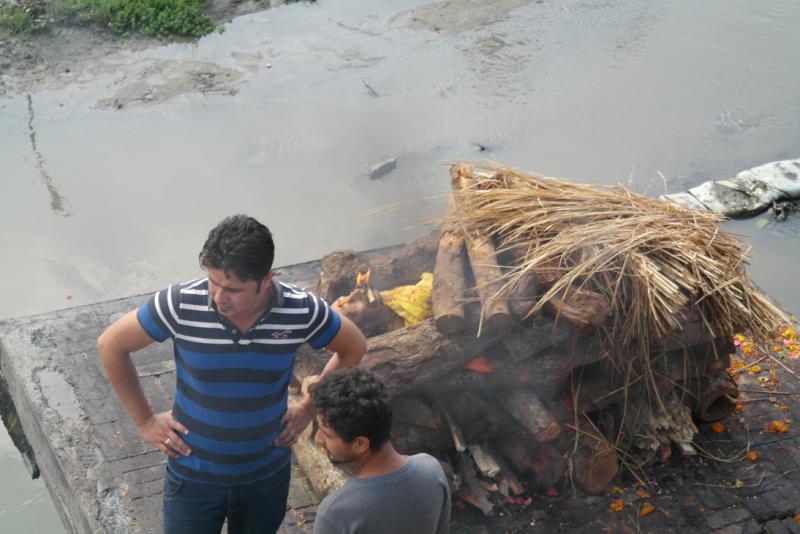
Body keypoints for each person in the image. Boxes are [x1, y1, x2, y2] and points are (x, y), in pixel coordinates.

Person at [97, 214, 367, 534]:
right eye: (213, 282)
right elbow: (110, 345)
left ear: (267, 279)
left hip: (267, 475)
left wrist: (309, 408)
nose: (219, 297)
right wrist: (144, 420)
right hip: (192, 476)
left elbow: (354, 347)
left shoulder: (301, 310)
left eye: (234, 289)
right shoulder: (180, 303)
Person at [310, 368, 451, 534]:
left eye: (326, 434)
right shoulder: (432, 470)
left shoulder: (336, 512)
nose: (318, 438)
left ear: (360, 444)